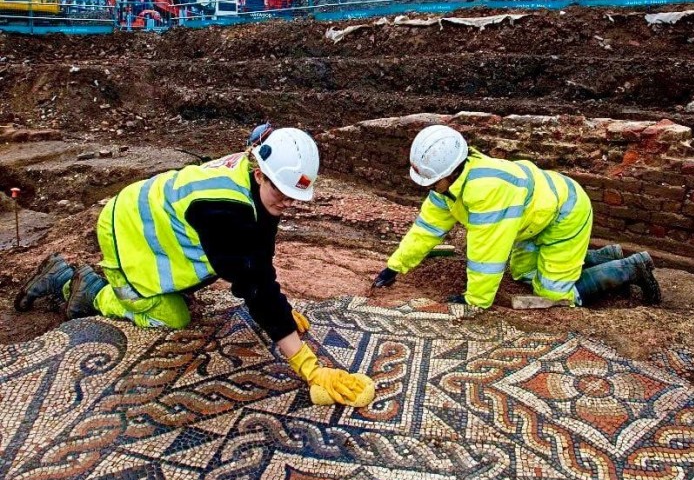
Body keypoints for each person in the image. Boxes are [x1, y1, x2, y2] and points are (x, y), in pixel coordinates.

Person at [15, 126, 375, 408]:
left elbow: (259, 255)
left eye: (294, 196)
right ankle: (82, 287)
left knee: (227, 269)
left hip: (154, 225)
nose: (288, 202)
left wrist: (280, 312)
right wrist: (308, 367)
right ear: (262, 173)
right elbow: (253, 284)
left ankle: (96, 280)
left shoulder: (256, 181)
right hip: (128, 234)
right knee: (173, 317)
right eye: (282, 191)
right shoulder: (224, 209)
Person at [371, 124, 660, 312]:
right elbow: (426, 229)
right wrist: (394, 267)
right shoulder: (447, 187)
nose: (427, 188)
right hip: (533, 219)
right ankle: (605, 255)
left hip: (564, 215)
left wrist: (475, 301)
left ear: (450, 171)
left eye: (431, 182)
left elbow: (487, 254)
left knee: (552, 296)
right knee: (523, 274)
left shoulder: (486, 191)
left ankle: (631, 268)